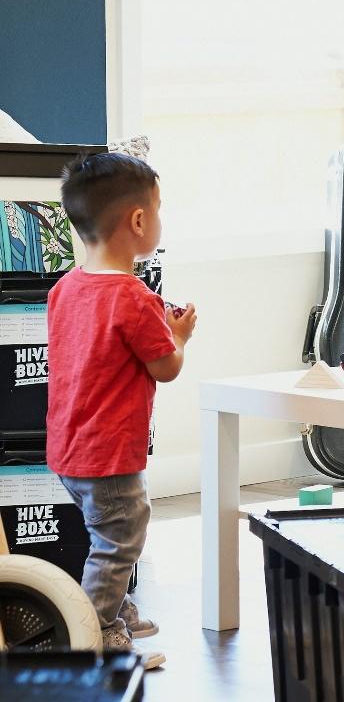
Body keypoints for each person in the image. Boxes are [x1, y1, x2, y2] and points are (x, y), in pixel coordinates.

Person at [47, 153, 198, 669]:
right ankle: (95, 631)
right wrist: (178, 336)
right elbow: (166, 368)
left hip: (67, 446)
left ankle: (112, 608)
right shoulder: (134, 298)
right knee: (121, 536)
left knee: (103, 528)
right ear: (138, 221)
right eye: (157, 210)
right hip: (110, 451)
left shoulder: (66, 287)